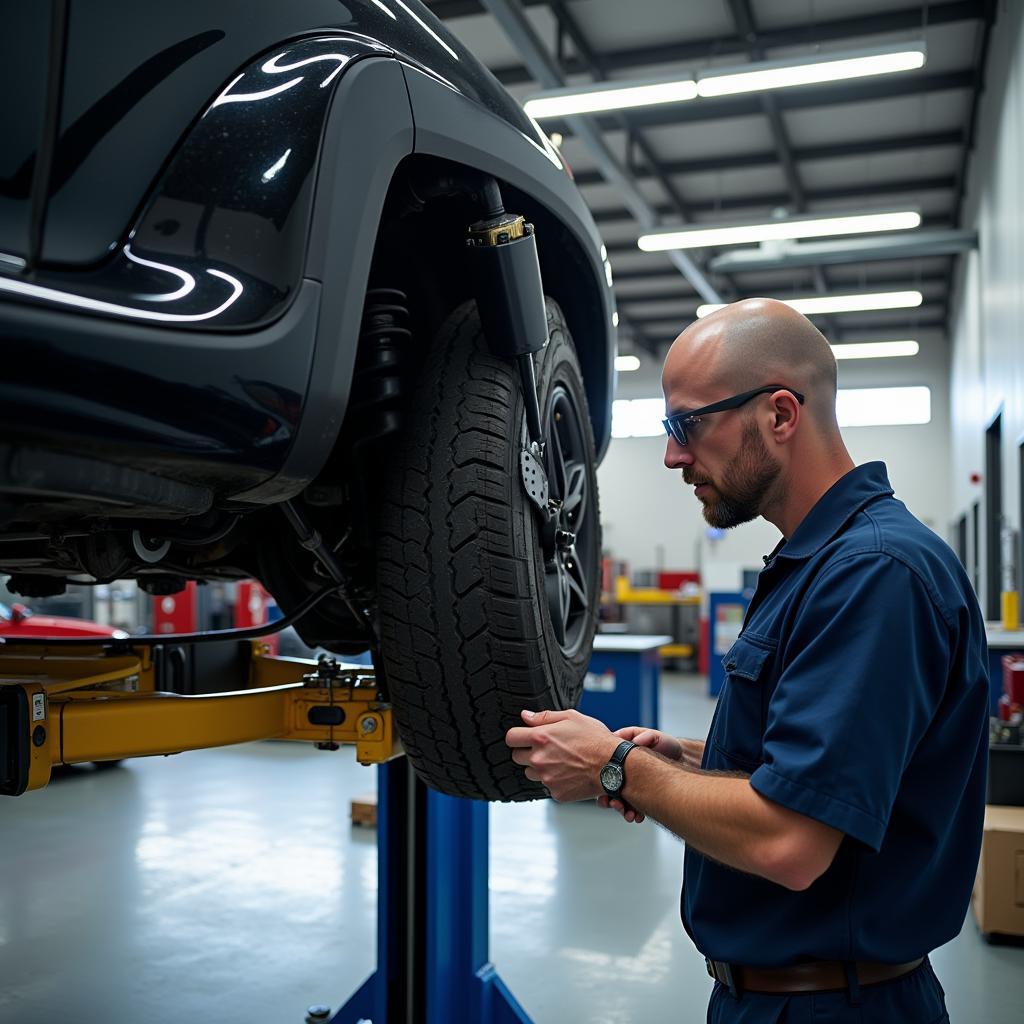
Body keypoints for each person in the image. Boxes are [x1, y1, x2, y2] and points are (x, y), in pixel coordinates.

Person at [505, 298, 989, 1023]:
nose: (672, 454)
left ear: (781, 415)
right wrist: (685, 758)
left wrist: (616, 767)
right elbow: (825, 770)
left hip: (835, 1008)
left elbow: (791, 840)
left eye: (686, 424)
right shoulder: (820, 564)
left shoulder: (875, 575)